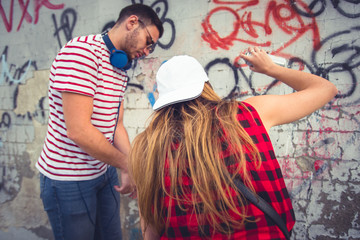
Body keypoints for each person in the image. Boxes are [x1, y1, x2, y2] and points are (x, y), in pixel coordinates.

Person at [128, 50, 337, 239]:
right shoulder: (248, 114)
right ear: (205, 86)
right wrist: (270, 68)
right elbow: (325, 88)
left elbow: (152, 230)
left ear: (163, 97)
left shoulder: (147, 146)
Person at [36, 3, 163, 240]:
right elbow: (79, 131)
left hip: (103, 172)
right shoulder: (81, 54)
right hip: (69, 179)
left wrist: (131, 164)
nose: (147, 50)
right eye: (148, 41)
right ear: (132, 22)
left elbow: (116, 124)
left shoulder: (118, 64)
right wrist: (126, 164)